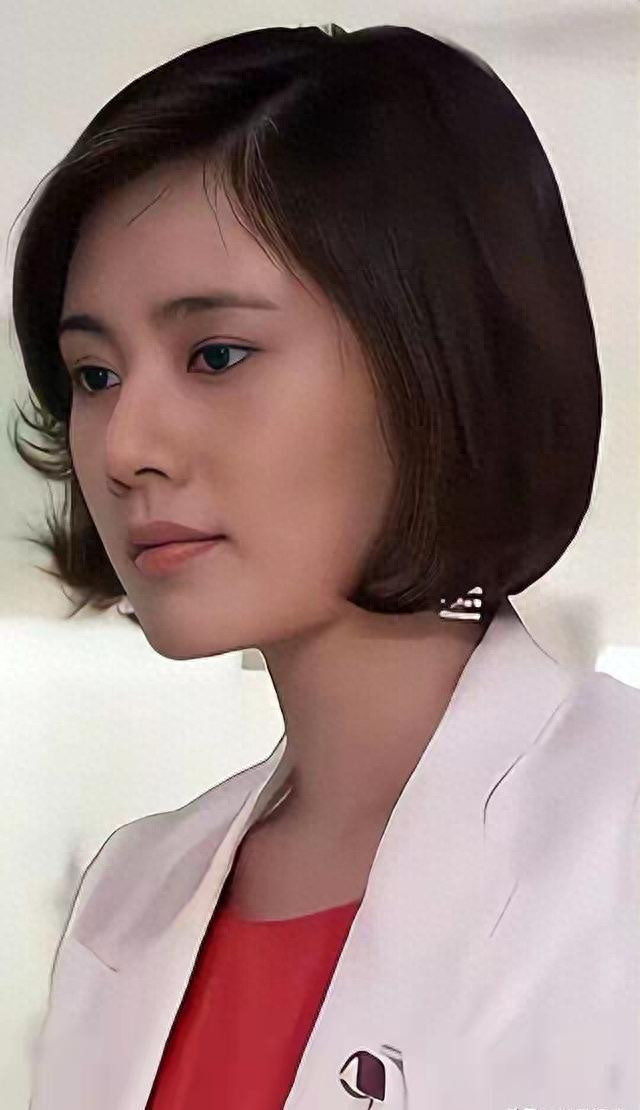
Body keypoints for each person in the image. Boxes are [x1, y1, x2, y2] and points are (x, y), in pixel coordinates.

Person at [10, 22, 639, 1110]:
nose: (122, 447)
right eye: (94, 374)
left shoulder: (615, 845)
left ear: (433, 365)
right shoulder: (130, 896)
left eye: (216, 355)